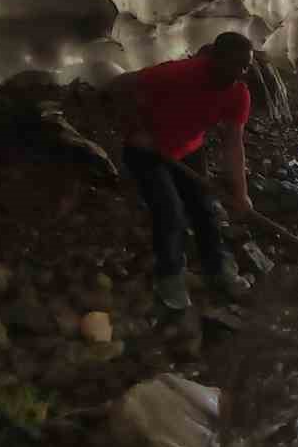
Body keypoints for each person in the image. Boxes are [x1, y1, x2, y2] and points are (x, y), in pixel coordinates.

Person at [108, 32, 255, 310]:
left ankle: (217, 269)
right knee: (169, 211)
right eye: (236, 64)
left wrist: (241, 194)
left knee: (205, 209)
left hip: (188, 150)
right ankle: (170, 275)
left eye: (246, 66)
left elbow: (233, 146)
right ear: (215, 58)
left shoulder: (238, 93)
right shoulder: (180, 73)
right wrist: (134, 128)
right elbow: (119, 86)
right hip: (148, 151)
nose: (241, 72)